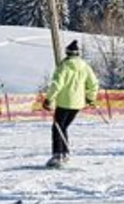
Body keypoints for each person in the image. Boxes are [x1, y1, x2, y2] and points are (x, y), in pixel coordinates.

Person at [41, 40, 99, 168]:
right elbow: (94, 84)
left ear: (67, 53)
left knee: (57, 127)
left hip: (64, 102)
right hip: (78, 104)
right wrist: (90, 98)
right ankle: (64, 153)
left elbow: (57, 84)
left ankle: (58, 155)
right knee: (63, 127)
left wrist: (49, 99)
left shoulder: (64, 66)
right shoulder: (85, 66)